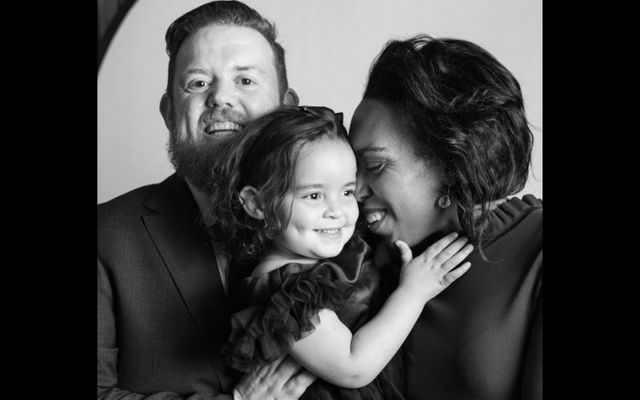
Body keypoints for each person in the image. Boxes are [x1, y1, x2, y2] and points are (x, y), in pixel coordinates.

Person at [97, 2, 314, 399]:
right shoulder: (105, 236)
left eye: (246, 80)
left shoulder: (337, 221)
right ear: (169, 112)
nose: (219, 98)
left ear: (286, 107)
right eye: (197, 83)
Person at [204, 105, 474, 400]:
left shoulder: (333, 253)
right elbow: (353, 366)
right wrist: (413, 292)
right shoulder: (283, 290)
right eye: (314, 195)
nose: (337, 211)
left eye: (346, 192)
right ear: (257, 204)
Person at [349, 35, 542, 400]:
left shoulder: (535, 252)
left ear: (452, 161)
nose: (355, 190)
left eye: (374, 165)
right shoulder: (361, 263)